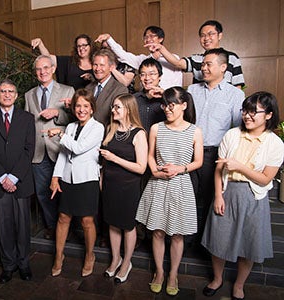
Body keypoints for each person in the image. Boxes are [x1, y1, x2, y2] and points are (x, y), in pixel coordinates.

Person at [201, 92, 284, 300]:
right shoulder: (231, 135)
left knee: (249, 244)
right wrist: (219, 196)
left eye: (254, 111)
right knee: (218, 240)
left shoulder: (275, 143)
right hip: (228, 192)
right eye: (245, 111)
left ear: (268, 115)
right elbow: (219, 170)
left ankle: (239, 285)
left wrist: (240, 166)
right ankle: (217, 279)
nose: (247, 115)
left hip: (254, 197)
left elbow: (265, 179)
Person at [136, 87, 204, 296]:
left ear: (184, 105)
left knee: (177, 234)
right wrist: (155, 170)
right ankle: (159, 272)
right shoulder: (156, 128)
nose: (166, 109)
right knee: (157, 231)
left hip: (181, 185)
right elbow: (149, 155)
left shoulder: (195, 131)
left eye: (171, 104)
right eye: (164, 104)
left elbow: (198, 161)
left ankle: (173, 274)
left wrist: (180, 168)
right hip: (158, 183)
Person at [0, 79, 35, 284]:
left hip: (21, 182)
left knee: (22, 225)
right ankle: (8, 265)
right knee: (3, 226)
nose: (7, 94)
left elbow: (29, 150)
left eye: (11, 91)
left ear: (16, 95)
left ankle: (23, 263)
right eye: (3, 91)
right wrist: (2, 178)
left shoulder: (27, 118)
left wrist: (13, 177)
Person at [187, 48, 244, 243]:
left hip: (215, 155)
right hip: (190, 152)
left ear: (223, 67)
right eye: (202, 64)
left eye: (208, 64)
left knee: (211, 200)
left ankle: (205, 243)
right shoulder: (192, 90)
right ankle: (184, 240)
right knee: (188, 199)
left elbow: (238, 130)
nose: (203, 68)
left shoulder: (234, 95)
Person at [46, 88, 104, 277]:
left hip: (87, 180)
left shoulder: (98, 128)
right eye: (78, 105)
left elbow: (78, 149)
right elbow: (63, 155)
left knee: (87, 221)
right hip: (68, 179)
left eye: (85, 106)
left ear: (92, 108)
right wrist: (56, 177)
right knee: (63, 218)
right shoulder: (70, 127)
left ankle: (89, 256)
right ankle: (58, 256)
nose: (81, 109)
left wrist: (60, 135)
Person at [25, 55, 74, 239]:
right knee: (43, 193)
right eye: (38, 69)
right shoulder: (29, 95)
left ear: (53, 69)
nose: (42, 72)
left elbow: (76, 119)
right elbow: (28, 124)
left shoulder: (68, 90)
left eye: (46, 68)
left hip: (61, 149)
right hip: (38, 152)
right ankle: (52, 226)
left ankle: (68, 227)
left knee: (65, 192)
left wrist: (58, 113)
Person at [99, 94, 148, 283]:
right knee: (112, 223)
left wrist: (115, 158)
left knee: (128, 226)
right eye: (113, 107)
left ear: (128, 109)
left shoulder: (139, 134)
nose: (113, 110)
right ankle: (115, 259)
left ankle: (127, 262)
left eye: (117, 107)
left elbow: (141, 167)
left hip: (128, 187)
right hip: (110, 184)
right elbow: (105, 161)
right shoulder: (111, 129)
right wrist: (102, 180)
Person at [146, 20, 244, 88]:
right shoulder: (197, 59)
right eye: (202, 35)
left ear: (220, 35)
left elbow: (237, 87)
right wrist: (161, 48)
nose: (206, 38)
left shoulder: (232, 58)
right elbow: (178, 63)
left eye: (210, 34)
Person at [95, 26, 183, 89]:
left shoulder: (173, 58)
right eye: (146, 37)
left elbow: (177, 66)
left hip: (169, 100)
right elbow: (123, 55)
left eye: (152, 36)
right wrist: (109, 38)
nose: (148, 39)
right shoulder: (142, 60)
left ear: (160, 39)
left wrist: (161, 48)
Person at [87, 48, 128, 127]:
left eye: (102, 65)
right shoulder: (88, 88)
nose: (98, 69)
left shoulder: (120, 90)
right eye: (95, 65)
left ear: (111, 67)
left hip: (107, 135)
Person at [133, 58, 166, 133]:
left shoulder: (168, 98)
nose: (147, 78)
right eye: (143, 74)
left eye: (152, 74)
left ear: (160, 76)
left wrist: (165, 96)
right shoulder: (133, 99)